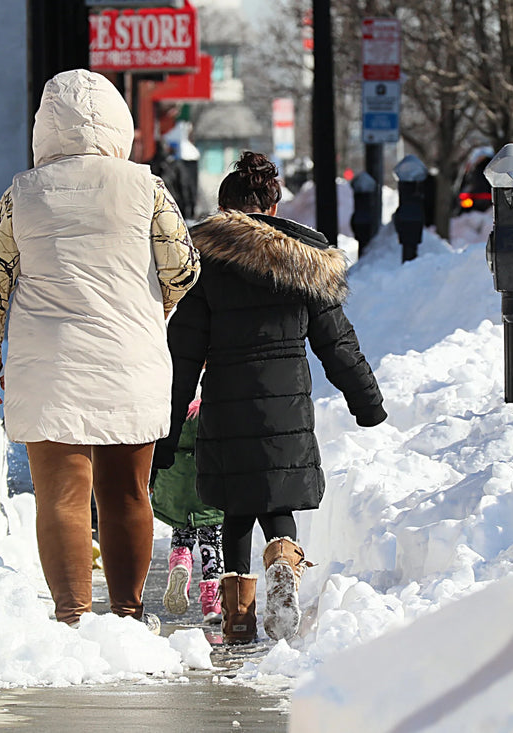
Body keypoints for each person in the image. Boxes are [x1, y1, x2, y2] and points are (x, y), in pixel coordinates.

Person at [0, 69, 200, 630]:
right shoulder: (147, 188)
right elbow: (184, 267)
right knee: (127, 494)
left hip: (48, 364)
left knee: (63, 499)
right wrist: (153, 308)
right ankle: (126, 612)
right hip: (130, 358)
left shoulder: (21, 193)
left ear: (44, 128)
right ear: (119, 122)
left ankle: (71, 616)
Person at [153, 151, 386, 644]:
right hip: (287, 408)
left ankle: (238, 618)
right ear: (274, 210)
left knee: (235, 507)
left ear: (225, 210)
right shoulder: (304, 266)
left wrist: (167, 432)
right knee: (277, 501)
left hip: (226, 407)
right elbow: (337, 343)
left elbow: (183, 359)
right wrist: (367, 403)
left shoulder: (206, 268)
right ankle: (283, 559)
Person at [150, 395, 224, 623]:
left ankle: (181, 563)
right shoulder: (215, 406)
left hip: (177, 482)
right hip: (209, 478)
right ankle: (212, 601)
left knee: (182, 530)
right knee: (212, 539)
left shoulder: (172, 402)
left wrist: (154, 480)